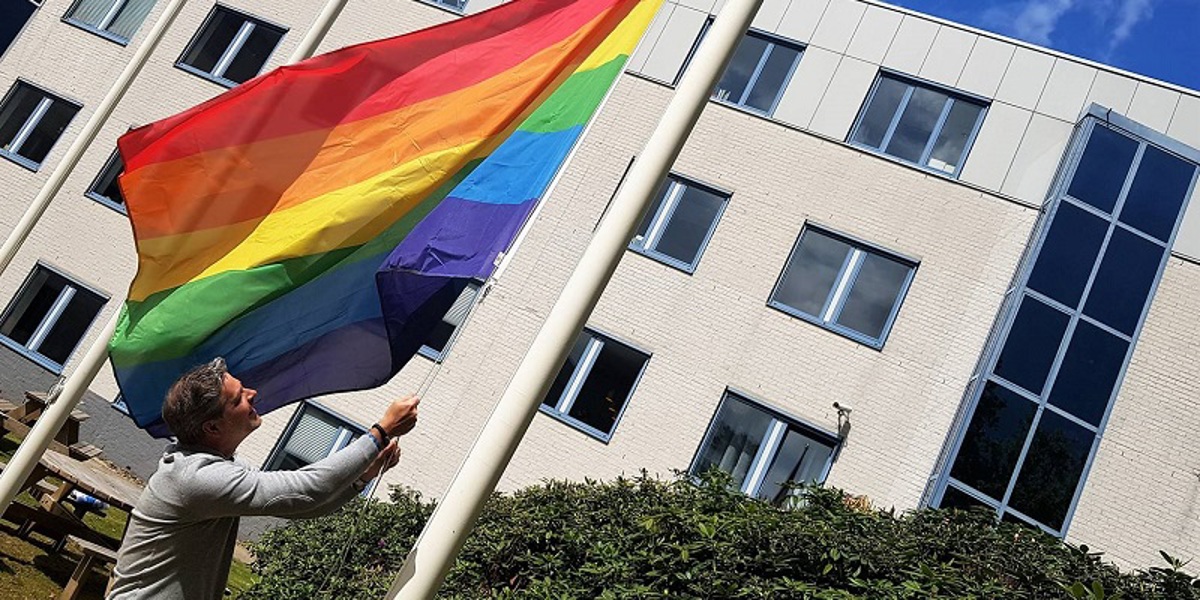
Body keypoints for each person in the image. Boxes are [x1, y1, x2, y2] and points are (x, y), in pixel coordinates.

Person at [107, 357, 419, 599]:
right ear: (212, 428)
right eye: (238, 398)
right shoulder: (195, 479)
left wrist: (361, 478)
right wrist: (380, 432)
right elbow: (306, 490)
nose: (252, 394)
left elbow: (300, 506)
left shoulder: (216, 469)